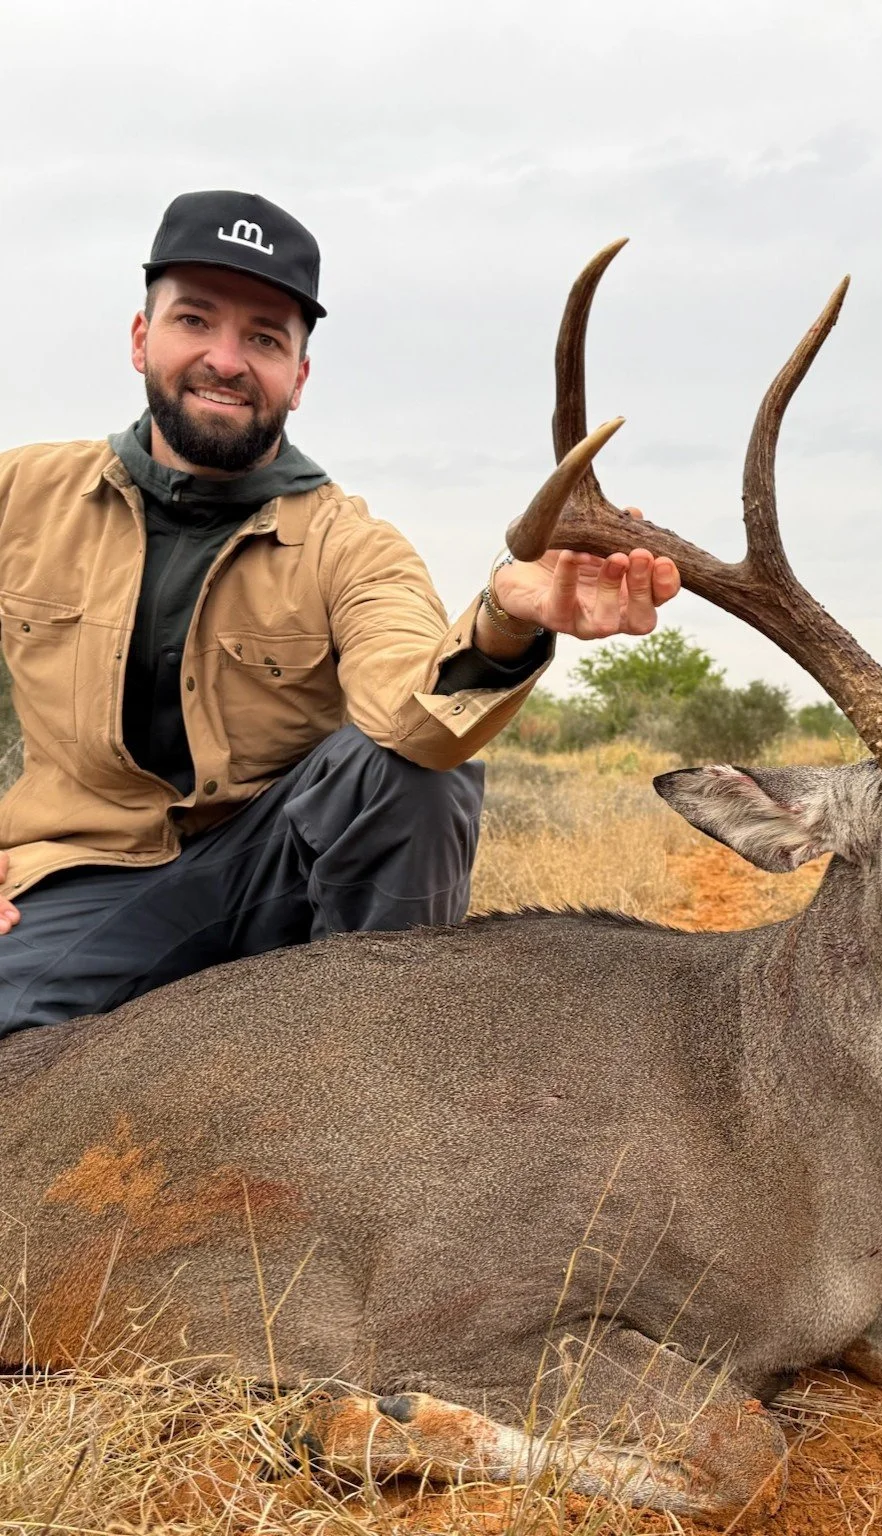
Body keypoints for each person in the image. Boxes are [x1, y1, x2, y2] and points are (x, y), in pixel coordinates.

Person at [0, 190, 680, 1037]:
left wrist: (507, 616)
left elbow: (414, 714)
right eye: (194, 320)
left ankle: (383, 1063)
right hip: (89, 875)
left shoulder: (353, 546)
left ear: (299, 377)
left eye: (264, 339)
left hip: (284, 874)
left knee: (416, 771)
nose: (225, 360)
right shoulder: (21, 495)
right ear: (142, 338)